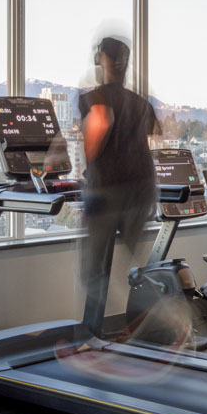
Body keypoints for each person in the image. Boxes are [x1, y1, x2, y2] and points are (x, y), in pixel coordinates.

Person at [76, 34, 162, 338]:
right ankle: (173, 321)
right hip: (141, 188)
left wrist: (85, 168)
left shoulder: (95, 98)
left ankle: (93, 337)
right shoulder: (140, 102)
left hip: (107, 191)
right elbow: (157, 132)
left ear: (105, 60)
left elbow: (98, 130)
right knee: (137, 262)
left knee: (92, 270)